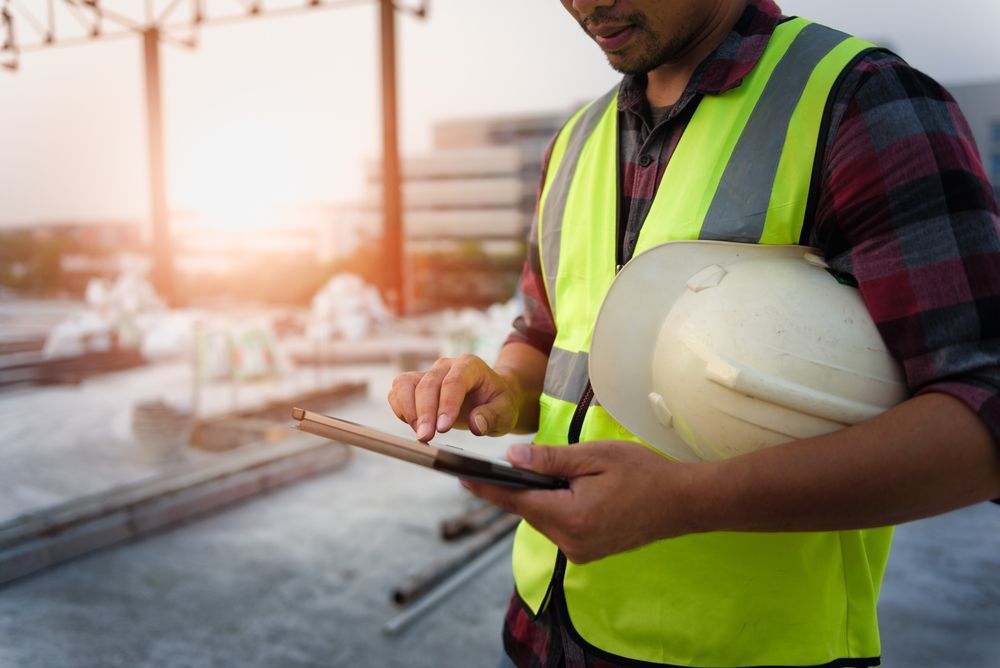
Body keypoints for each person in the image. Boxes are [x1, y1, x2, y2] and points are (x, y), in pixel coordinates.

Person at [388, 0, 1000, 665]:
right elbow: (545, 331)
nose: (586, 4)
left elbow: (983, 417)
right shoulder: (574, 143)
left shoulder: (862, 104)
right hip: (544, 632)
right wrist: (503, 387)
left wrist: (684, 503)